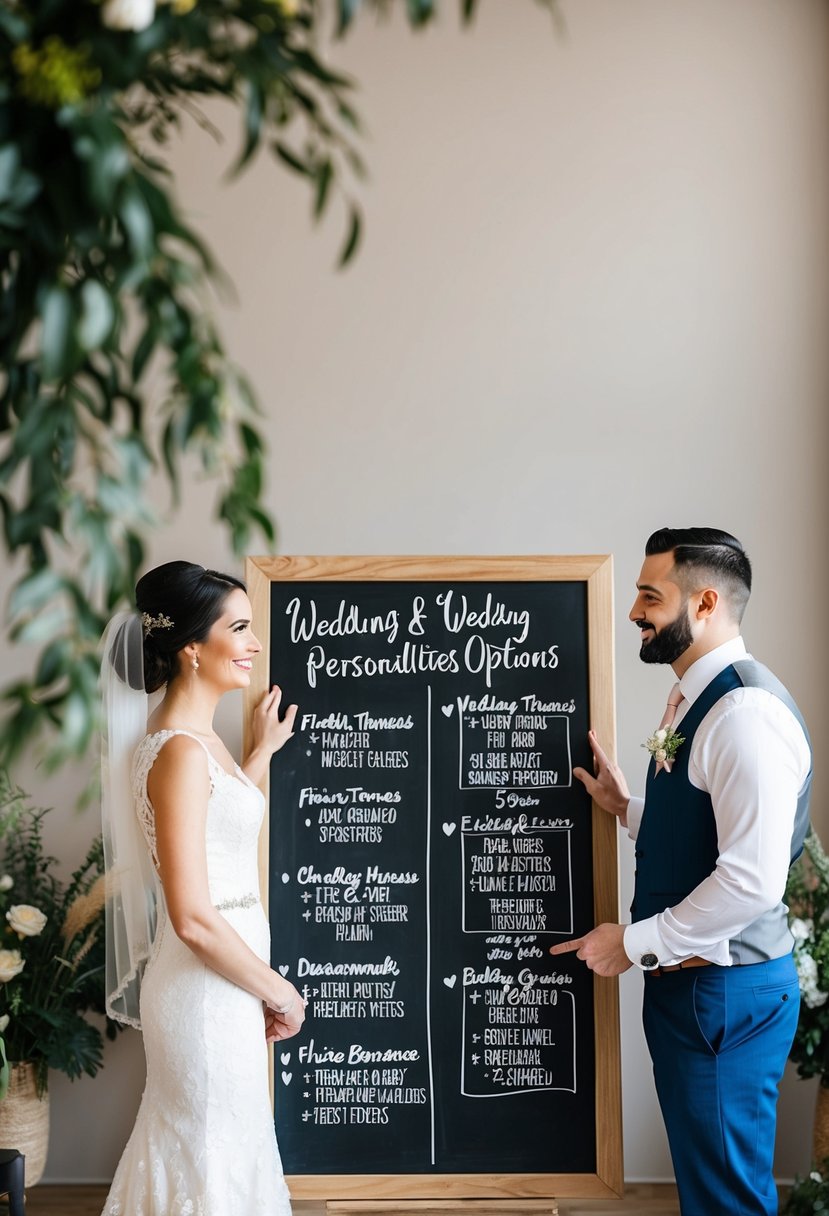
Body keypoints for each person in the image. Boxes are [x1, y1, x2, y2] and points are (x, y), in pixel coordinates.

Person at [551, 527, 812, 1216]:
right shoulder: (701, 697)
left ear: (701, 604)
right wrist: (627, 808)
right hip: (698, 990)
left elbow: (752, 882)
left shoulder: (741, 713)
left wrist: (630, 943)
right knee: (708, 1191)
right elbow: (711, 832)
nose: (634, 611)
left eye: (648, 595)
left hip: (720, 994)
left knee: (725, 1199)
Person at [100, 560, 305, 1216]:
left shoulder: (195, 742)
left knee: (220, 1155)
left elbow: (215, 833)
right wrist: (279, 991)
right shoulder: (181, 752)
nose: (254, 644)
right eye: (239, 628)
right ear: (192, 647)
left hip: (222, 982)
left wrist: (259, 756)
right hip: (206, 990)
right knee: (213, 1160)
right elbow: (191, 915)